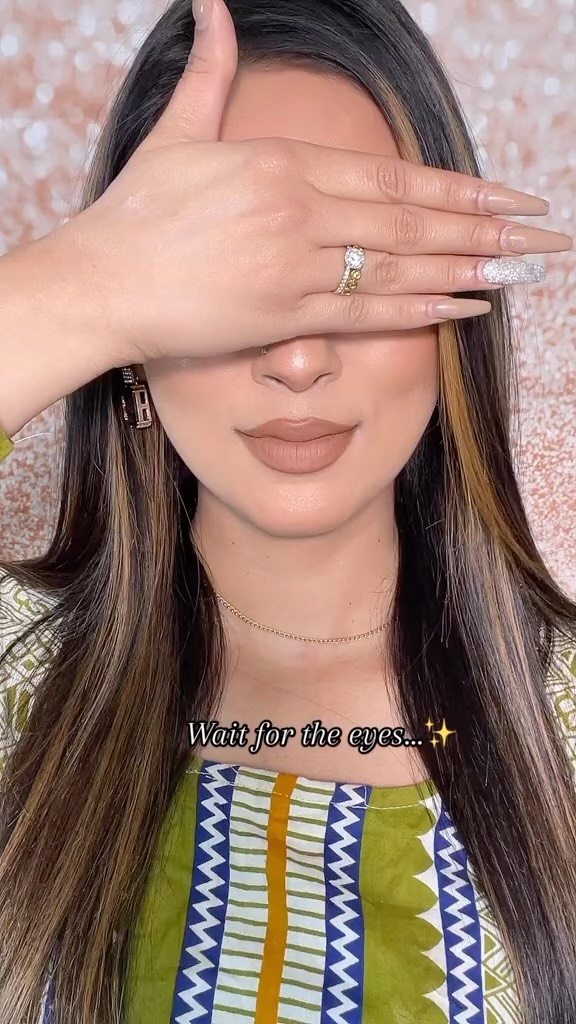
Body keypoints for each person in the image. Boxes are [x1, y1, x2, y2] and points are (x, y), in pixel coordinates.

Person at [0, 0, 574, 1021]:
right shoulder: (14, 675)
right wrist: (76, 290)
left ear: (460, 316)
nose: (299, 360)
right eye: (234, 281)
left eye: (359, 268)